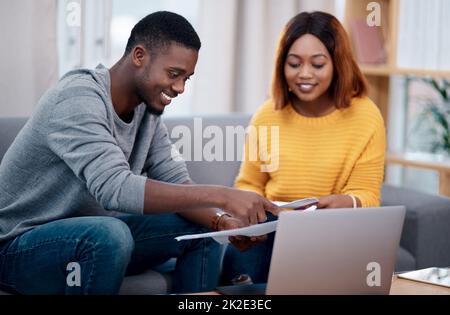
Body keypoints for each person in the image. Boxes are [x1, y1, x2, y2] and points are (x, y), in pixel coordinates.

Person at [0, 11, 279, 295]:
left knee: (203, 230)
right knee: (109, 234)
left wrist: (222, 223)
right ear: (139, 55)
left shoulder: (147, 111)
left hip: (87, 238)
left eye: (187, 78)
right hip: (18, 248)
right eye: (173, 74)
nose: (180, 87)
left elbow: (178, 185)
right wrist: (224, 195)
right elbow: (116, 188)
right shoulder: (77, 99)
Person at [221, 11, 386, 284]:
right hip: (273, 226)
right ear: (281, 66)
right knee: (244, 254)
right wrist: (253, 210)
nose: (304, 74)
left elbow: (367, 194)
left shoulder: (366, 116)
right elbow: (249, 183)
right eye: (294, 64)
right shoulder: (267, 115)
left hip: (334, 229)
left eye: (318, 64)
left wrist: (347, 201)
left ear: (337, 65)